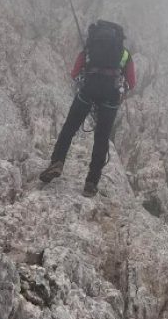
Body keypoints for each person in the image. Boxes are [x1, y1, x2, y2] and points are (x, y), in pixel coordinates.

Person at [39, 20, 136, 196]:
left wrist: (86, 79)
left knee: (69, 128)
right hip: (110, 99)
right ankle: (91, 183)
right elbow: (132, 82)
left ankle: (57, 162)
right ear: (119, 39)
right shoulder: (124, 54)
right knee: (101, 139)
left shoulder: (90, 48)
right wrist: (119, 91)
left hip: (88, 92)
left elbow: (74, 73)